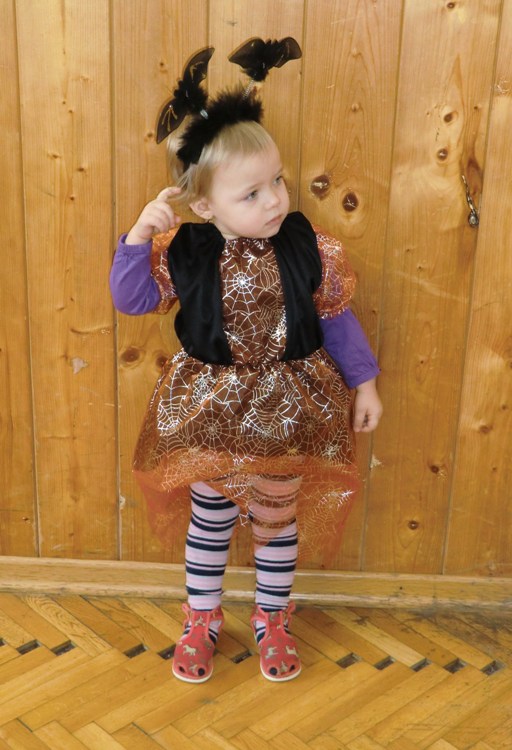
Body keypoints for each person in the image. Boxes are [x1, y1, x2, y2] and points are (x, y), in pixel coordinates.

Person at [110, 45, 382, 685]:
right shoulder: (184, 250)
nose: (274, 201)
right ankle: (201, 617)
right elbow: (132, 299)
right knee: (211, 519)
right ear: (204, 206)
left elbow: (337, 316)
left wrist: (365, 382)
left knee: (275, 518)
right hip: (209, 410)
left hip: (290, 410)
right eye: (252, 192)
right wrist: (138, 239)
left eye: (278, 181)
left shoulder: (307, 245)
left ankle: (273, 616)